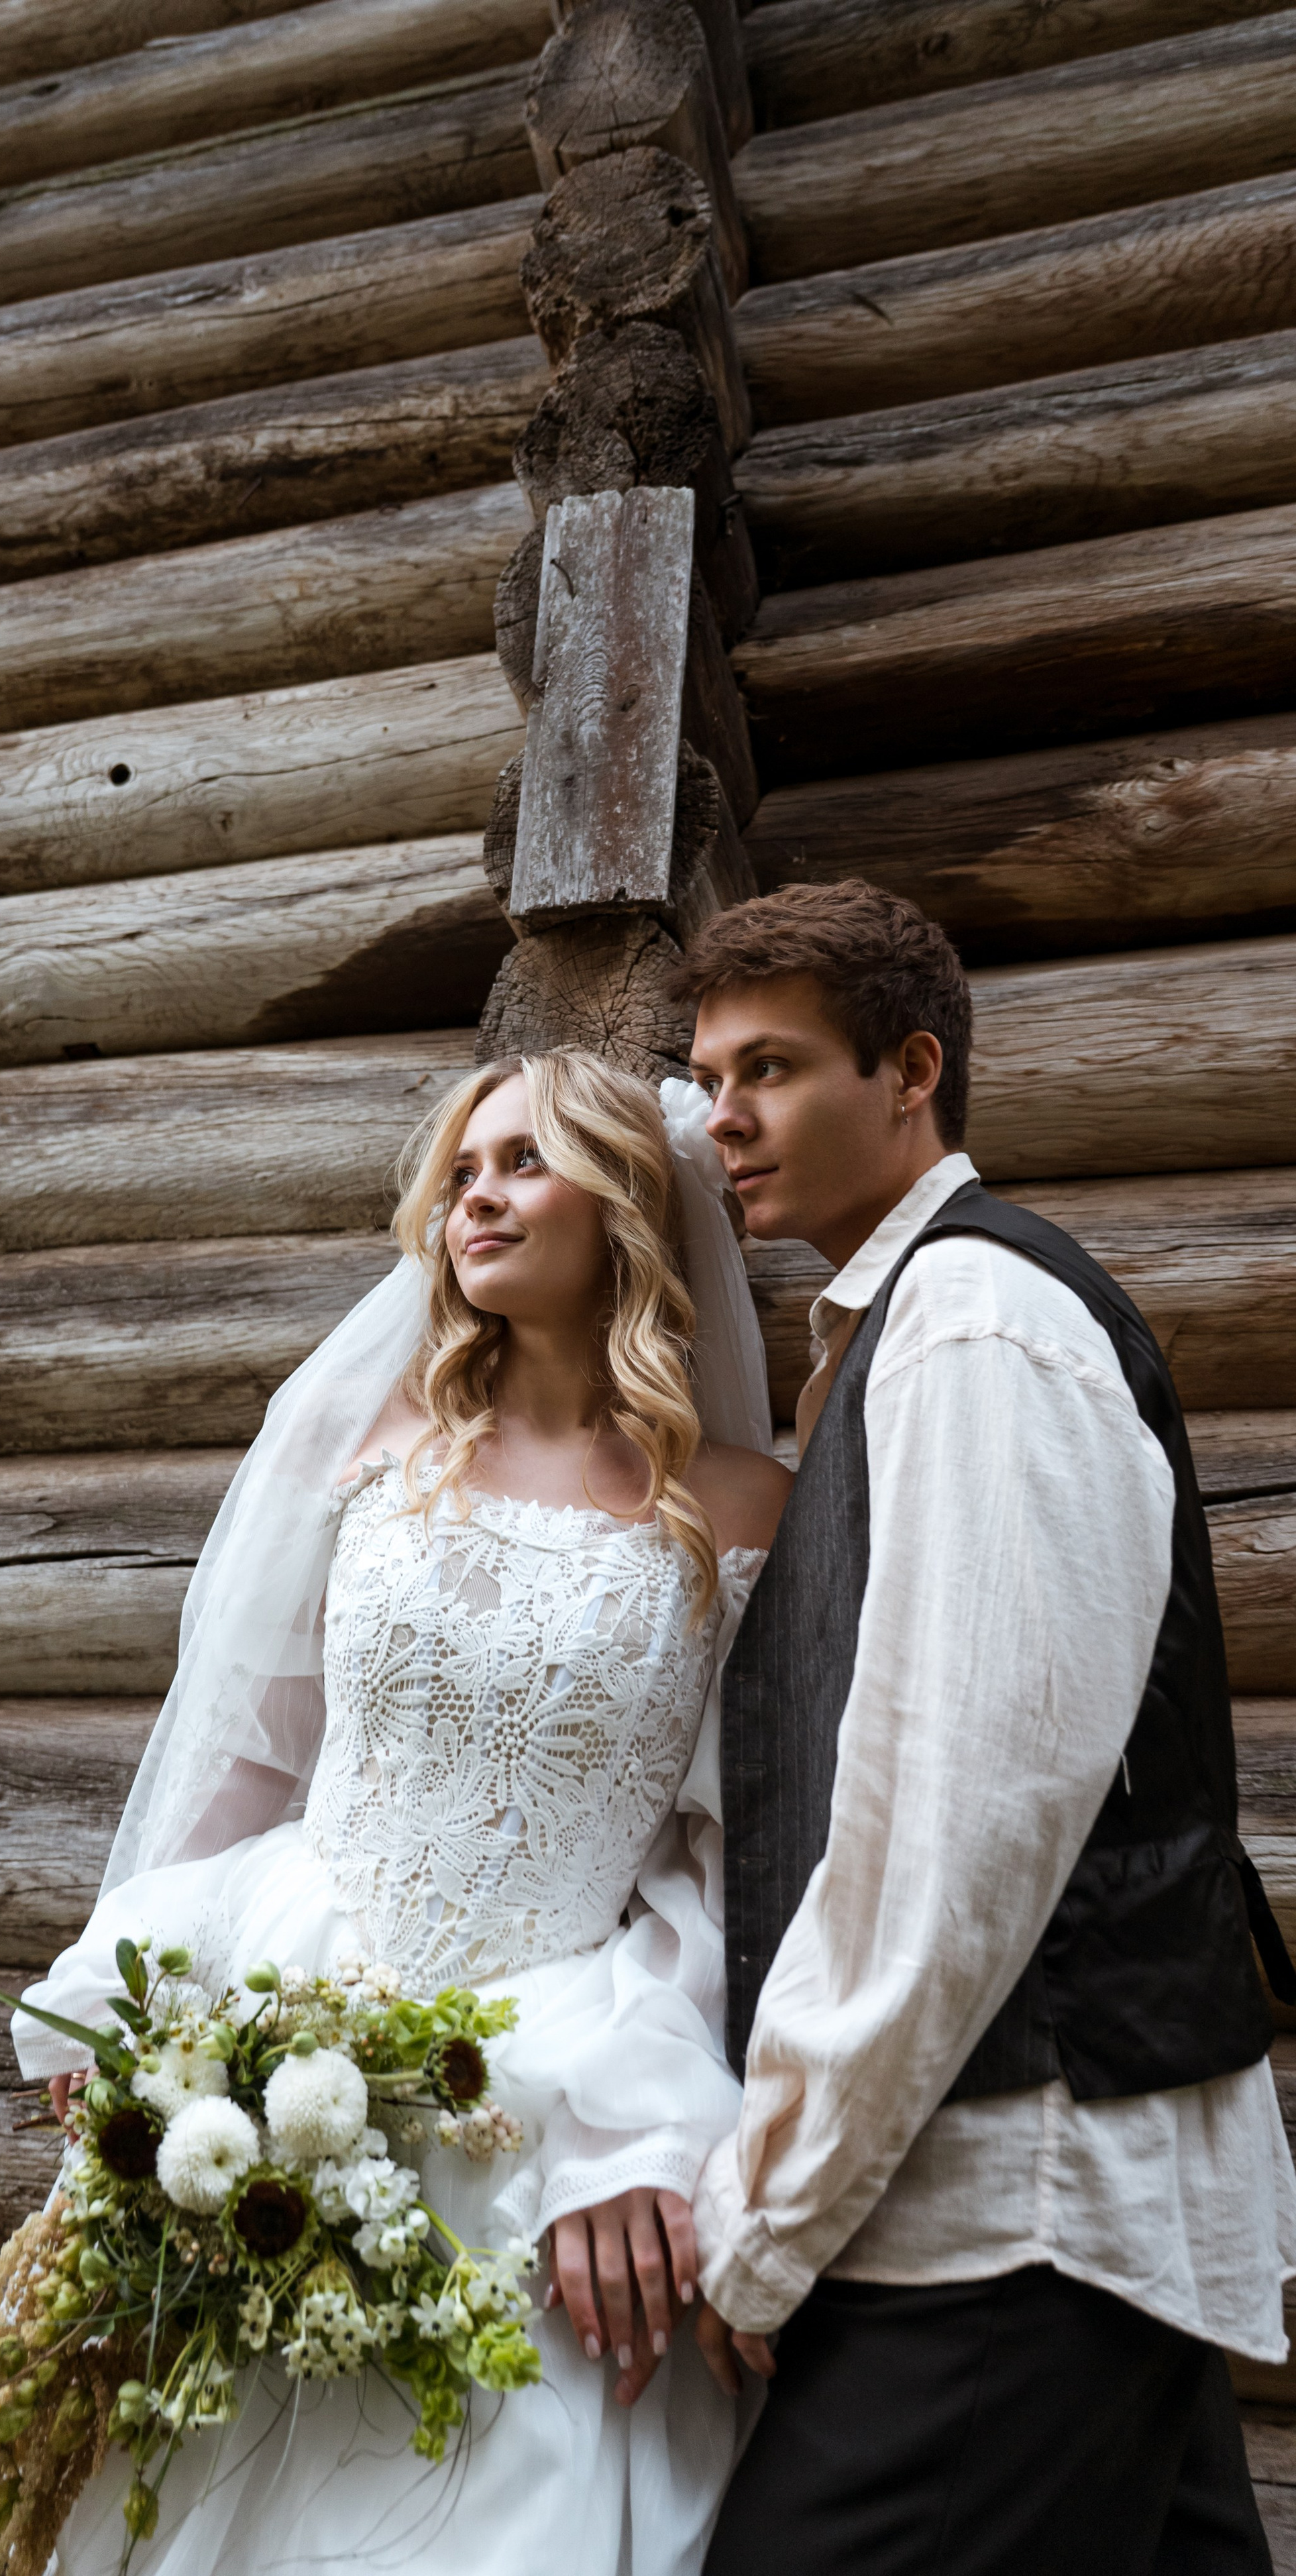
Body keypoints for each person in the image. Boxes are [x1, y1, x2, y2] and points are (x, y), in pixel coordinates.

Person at [9, 1048, 790, 2575]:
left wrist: (638, 2119)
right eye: (458, 1174)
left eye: (518, 1164)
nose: (474, 1199)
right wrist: (136, 2008)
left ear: (622, 1201)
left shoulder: (743, 1508)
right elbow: (250, 1754)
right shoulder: (367, 1456)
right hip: (282, 2014)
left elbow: (723, 1854)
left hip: (541, 2065)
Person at [673, 879, 1296, 2574]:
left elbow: (957, 1819)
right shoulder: (896, 1338)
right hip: (1031, 2191)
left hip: (1008, 2204)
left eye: (774, 1069)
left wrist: (764, 2220)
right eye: (709, 1074)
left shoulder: (972, 1323)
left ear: (910, 1073)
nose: (722, 1117)